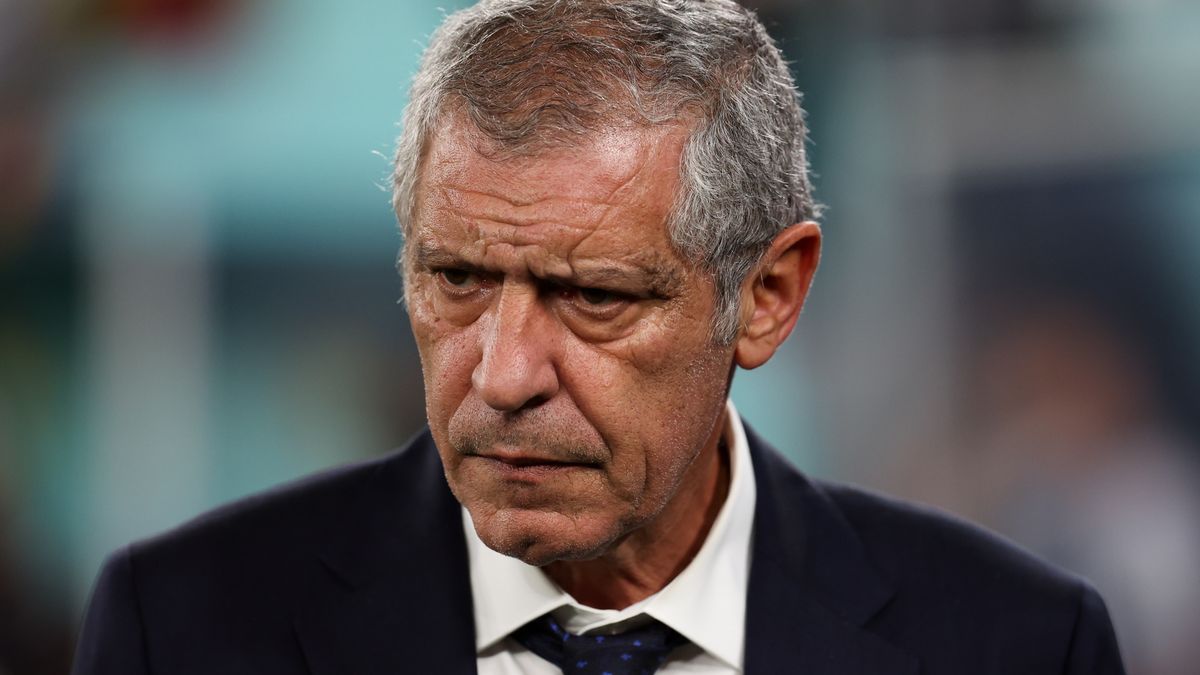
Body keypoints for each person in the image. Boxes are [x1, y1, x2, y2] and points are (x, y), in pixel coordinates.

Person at [72, 0, 1127, 673]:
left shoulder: (1017, 645)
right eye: (456, 280)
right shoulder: (182, 630)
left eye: (594, 297)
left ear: (766, 296)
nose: (503, 372)